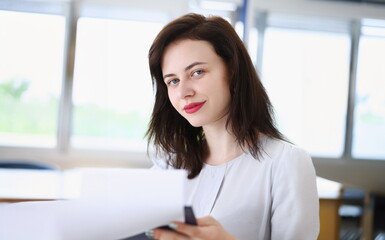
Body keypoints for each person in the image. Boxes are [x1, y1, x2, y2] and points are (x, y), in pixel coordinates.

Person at [145, 13, 319, 240]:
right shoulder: (168, 166)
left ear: (233, 70)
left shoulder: (286, 163)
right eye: (173, 81)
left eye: (197, 72)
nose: (183, 92)